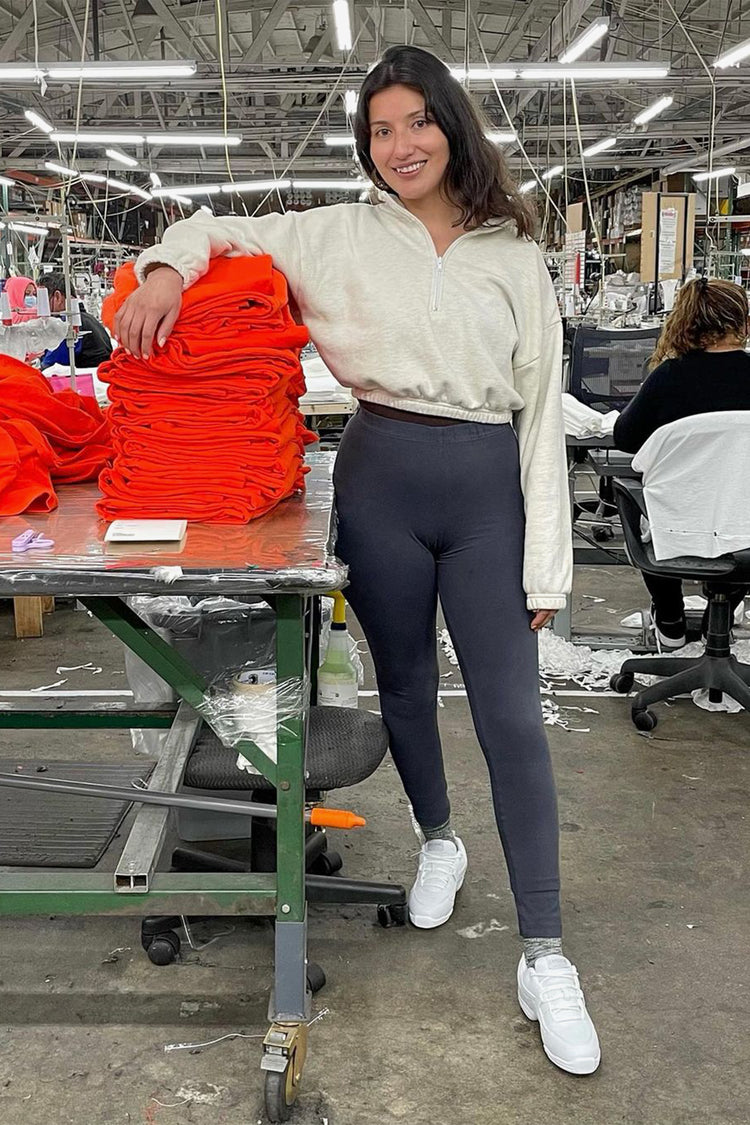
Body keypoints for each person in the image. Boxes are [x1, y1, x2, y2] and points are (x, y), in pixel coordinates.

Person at [114, 45, 600, 1075]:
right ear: (365, 145)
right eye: (381, 130)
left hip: (487, 493)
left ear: (452, 125)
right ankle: (438, 839)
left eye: (417, 121)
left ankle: (546, 952)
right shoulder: (336, 234)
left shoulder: (513, 252)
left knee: (512, 716)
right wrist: (164, 269)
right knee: (405, 686)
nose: (401, 145)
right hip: (379, 481)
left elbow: (542, 417)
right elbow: (212, 226)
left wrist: (549, 566)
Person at [614, 278, 750, 648]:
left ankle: (670, 620)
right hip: (744, 529)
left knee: (652, 507)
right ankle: (718, 621)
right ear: (744, 323)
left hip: (677, 527)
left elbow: (625, 438)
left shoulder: (669, 378)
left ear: (685, 322)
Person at [39, 272, 113, 369]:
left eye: (41, 299)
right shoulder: (88, 319)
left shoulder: (68, 323)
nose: (38, 306)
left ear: (57, 297)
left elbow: (51, 364)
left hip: (87, 375)